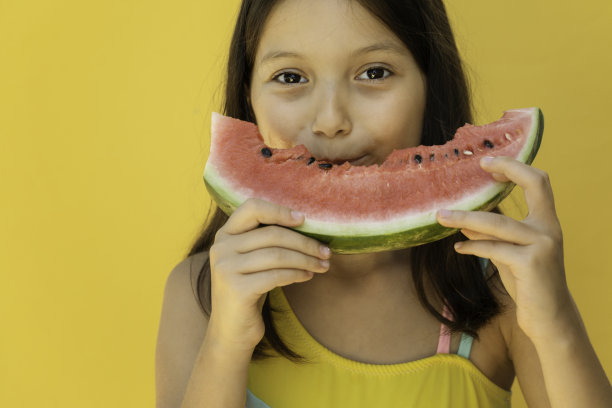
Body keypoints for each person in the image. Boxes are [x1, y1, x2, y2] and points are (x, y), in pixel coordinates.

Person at [155, 0, 612, 407]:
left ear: (430, 87)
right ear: (248, 97)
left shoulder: (499, 291)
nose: (331, 119)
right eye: (290, 77)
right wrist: (225, 343)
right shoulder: (201, 292)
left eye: (374, 72)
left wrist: (554, 320)